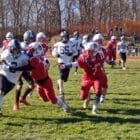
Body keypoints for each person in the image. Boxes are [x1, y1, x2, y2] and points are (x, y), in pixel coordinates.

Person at [10, 42, 71, 113]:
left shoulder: (35, 60)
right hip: (38, 83)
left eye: (31, 50)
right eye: (30, 49)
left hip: (45, 82)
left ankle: (65, 107)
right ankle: (59, 98)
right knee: (45, 99)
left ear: (36, 51)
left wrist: (16, 68)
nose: (29, 51)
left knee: (53, 100)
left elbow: (27, 67)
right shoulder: (37, 57)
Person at [61, 42, 105, 114]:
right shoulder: (83, 57)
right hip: (87, 77)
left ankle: (94, 109)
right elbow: (76, 63)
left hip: (97, 76)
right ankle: (87, 97)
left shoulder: (100, 55)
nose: (88, 52)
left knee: (98, 92)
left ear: (95, 51)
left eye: (90, 51)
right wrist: (66, 65)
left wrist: (110, 62)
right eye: (87, 50)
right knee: (82, 97)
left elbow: (104, 60)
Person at [0, 39, 29, 116]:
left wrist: (16, 69)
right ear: (10, 49)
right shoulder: (5, 54)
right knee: (1, 91)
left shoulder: (23, 57)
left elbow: (26, 68)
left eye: (18, 50)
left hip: (13, 80)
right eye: (15, 50)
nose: (17, 52)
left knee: (1, 94)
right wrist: (3, 63)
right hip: (3, 74)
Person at [13, 30, 36, 111]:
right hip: (18, 67)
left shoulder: (32, 45)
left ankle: (22, 98)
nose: (32, 40)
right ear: (26, 38)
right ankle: (16, 104)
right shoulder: (21, 45)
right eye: (31, 39)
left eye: (33, 39)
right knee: (19, 84)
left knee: (32, 84)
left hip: (25, 68)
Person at [52, 30, 75, 101]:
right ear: (61, 37)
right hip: (61, 62)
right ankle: (61, 91)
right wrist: (56, 54)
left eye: (66, 37)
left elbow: (76, 51)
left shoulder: (71, 43)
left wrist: (71, 53)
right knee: (62, 76)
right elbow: (53, 51)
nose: (64, 39)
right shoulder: (58, 44)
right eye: (63, 37)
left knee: (65, 79)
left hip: (68, 62)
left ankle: (59, 82)